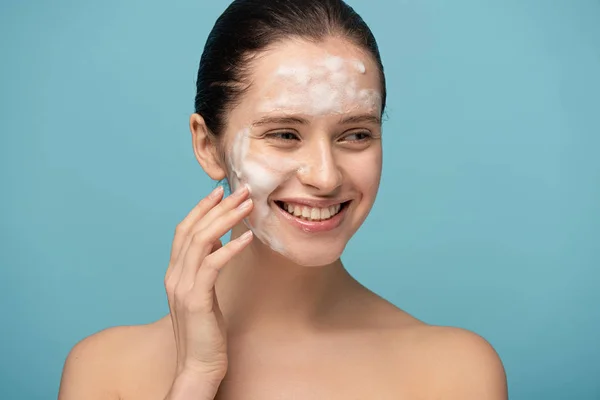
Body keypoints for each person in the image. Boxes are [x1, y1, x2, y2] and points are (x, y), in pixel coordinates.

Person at [58, 0, 508, 399]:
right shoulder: (104, 371)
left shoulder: (457, 372)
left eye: (356, 134)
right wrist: (196, 377)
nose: (326, 177)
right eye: (284, 134)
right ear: (207, 145)